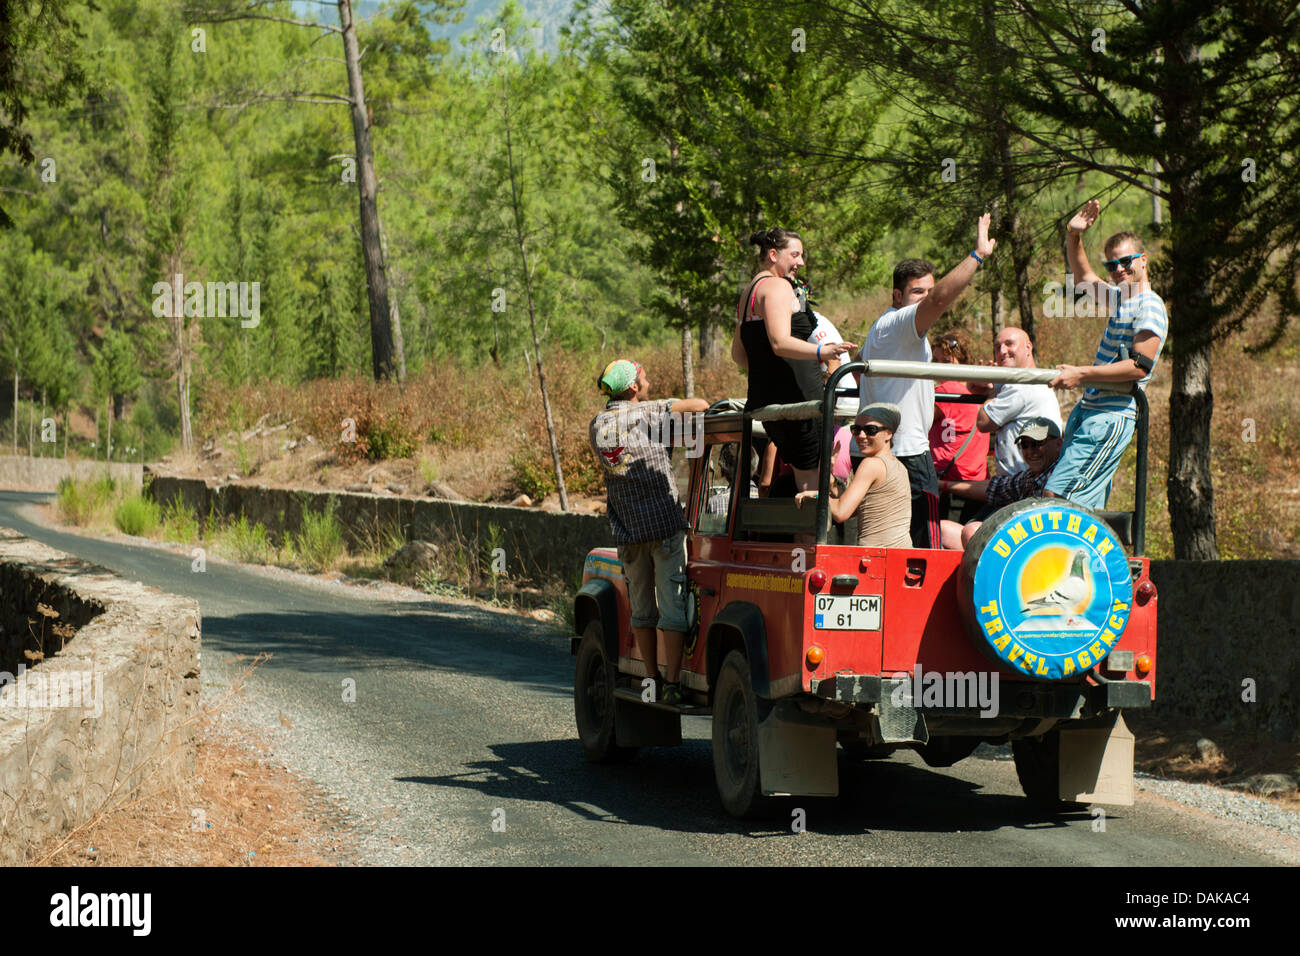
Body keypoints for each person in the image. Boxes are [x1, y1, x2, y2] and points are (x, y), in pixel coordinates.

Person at [859, 213, 997, 546]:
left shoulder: (895, 332)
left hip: (888, 451)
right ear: (897, 296)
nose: (927, 298)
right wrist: (977, 255)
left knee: (892, 541)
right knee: (926, 546)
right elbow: (939, 301)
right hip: (907, 452)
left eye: (928, 291)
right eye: (916, 292)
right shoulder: (899, 325)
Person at [589, 359, 709, 706]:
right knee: (672, 607)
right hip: (664, 526)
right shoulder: (648, 413)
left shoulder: (597, 425)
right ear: (633, 389)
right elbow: (700, 406)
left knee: (642, 609)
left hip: (627, 530)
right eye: (644, 376)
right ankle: (672, 682)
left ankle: (650, 679)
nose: (648, 379)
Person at [1045, 200, 1168, 510]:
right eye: (1111, 265)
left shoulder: (1148, 305)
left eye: (1125, 262)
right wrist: (1074, 235)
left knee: (1055, 499)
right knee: (1081, 509)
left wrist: (1081, 374)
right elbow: (1085, 278)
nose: (1119, 270)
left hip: (1111, 416)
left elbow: (1140, 367)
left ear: (1143, 260)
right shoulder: (1121, 298)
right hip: (1090, 410)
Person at [732, 228, 856, 494]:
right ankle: (813, 535)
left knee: (811, 485)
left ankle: (807, 530)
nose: (801, 262)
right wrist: (824, 351)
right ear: (774, 255)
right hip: (800, 404)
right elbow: (779, 342)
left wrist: (769, 374)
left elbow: (738, 354)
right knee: (814, 492)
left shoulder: (749, 292)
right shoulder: (777, 286)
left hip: (774, 402)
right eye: (795, 255)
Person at [794, 402, 912, 550]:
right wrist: (830, 477)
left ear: (889, 433)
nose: (861, 436)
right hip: (899, 553)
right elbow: (856, 508)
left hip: (878, 558)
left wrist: (817, 496)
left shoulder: (871, 464)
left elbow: (841, 512)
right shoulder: (898, 466)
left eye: (871, 430)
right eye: (856, 429)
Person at [937, 417, 1063, 550]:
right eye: (1025, 445)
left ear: (1059, 444)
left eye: (1038, 443)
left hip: (1041, 550)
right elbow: (992, 488)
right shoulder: (1028, 478)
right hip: (1020, 544)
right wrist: (943, 485)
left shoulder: (1060, 476)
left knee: (972, 531)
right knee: (942, 529)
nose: (1031, 451)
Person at [975, 326, 1063, 476]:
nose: (1002, 351)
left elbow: (983, 423)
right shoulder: (1034, 380)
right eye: (997, 347)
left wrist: (993, 389)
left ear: (1028, 347)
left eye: (1009, 344)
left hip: (1025, 485)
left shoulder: (1021, 386)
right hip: (1026, 480)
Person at [929, 330, 991, 484]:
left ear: (963, 361)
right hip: (977, 481)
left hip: (947, 480)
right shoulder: (980, 392)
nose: (940, 367)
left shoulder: (947, 390)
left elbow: (916, 420)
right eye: (936, 361)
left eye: (947, 362)